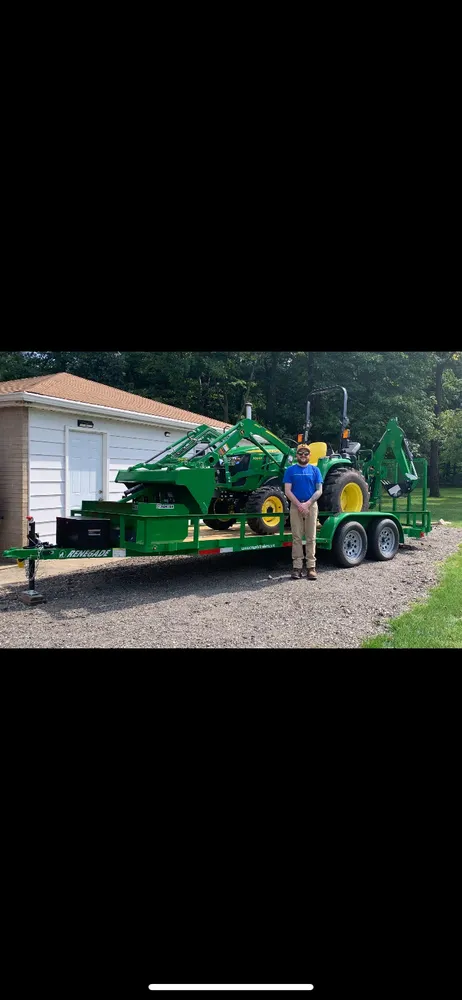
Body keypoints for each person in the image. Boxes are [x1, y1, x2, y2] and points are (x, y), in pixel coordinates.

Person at [283, 444, 323, 580]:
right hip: (295, 506)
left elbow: (319, 490)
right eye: (301, 453)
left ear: (310, 455)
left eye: (306, 453)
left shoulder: (315, 470)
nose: (303, 456)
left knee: (311, 537)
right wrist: (299, 504)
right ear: (296, 455)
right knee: (297, 537)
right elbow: (287, 490)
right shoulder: (290, 470)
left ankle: (311, 567)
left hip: (311, 505)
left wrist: (307, 503)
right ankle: (297, 567)